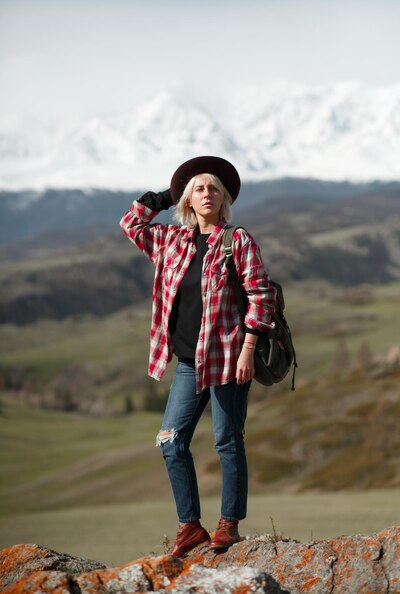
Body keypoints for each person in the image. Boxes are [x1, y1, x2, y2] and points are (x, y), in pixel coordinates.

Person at [120, 156, 276, 557]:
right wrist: (162, 195)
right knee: (171, 441)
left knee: (227, 442)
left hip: (228, 357)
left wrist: (248, 350)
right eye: (199, 188)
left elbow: (261, 296)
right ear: (188, 199)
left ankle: (229, 525)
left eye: (214, 189)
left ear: (224, 199)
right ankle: (190, 526)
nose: (207, 194)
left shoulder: (237, 240)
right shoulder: (172, 240)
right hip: (189, 363)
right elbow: (131, 225)